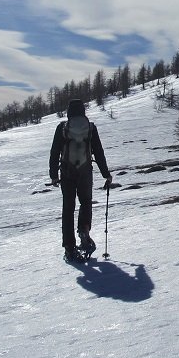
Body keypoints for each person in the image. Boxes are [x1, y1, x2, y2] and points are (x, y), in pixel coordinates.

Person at [49, 99, 112, 261]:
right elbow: (98, 152)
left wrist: (54, 175)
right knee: (85, 202)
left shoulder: (62, 128)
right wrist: (106, 174)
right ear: (83, 111)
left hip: (67, 172)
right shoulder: (90, 128)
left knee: (68, 209)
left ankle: (69, 247)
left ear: (69, 112)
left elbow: (55, 151)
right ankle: (84, 231)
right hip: (85, 172)